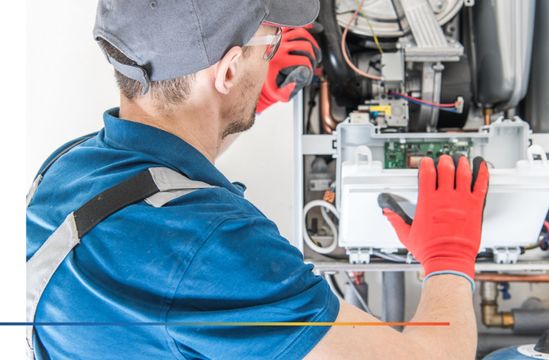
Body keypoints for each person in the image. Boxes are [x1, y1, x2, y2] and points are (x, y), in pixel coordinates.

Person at [26, 0, 489, 359]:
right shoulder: (215, 249)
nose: (273, 57)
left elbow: (161, 183)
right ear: (227, 71)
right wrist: (449, 258)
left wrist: (242, 105)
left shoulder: (67, 168)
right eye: (269, 46)